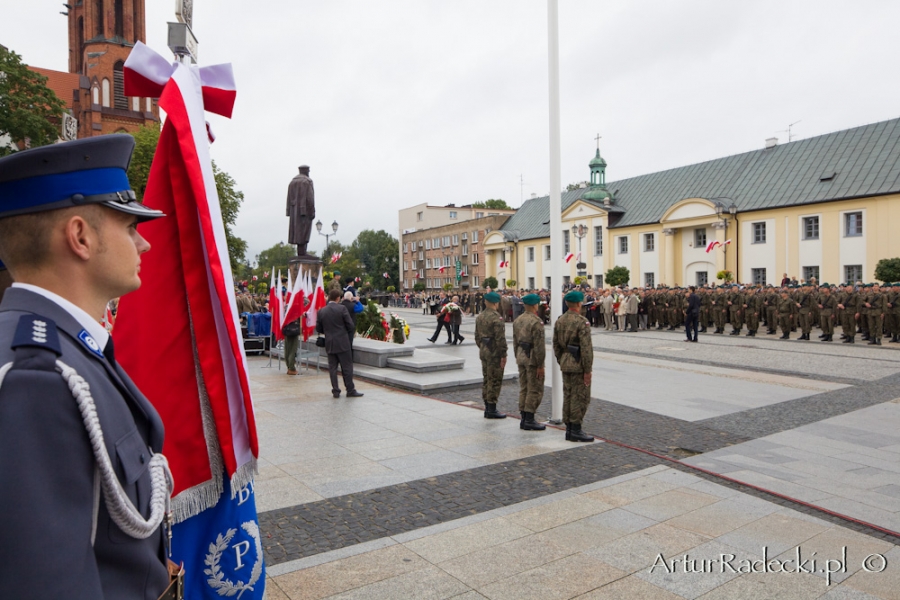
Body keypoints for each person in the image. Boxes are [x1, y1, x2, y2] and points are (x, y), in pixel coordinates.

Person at [0, 136, 176, 598]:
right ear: (80, 237)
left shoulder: (65, 346)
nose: (144, 243)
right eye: (128, 225)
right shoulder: (36, 377)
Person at [552, 290, 594, 442]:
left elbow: (556, 344)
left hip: (565, 362)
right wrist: (587, 370)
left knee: (568, 395)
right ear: (578, 304)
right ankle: (576, 429)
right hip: (578, 364)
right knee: (580, 397)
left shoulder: (560, 320)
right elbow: (586, 348)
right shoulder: (581, 321)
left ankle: (569, 428)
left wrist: (561, 359)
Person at [317, 288, 363, 398]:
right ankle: (350, 390)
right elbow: (350, 325)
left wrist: (329, 332)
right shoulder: (342, 309)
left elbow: (319, 328)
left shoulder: (322, 311)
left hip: (330, 343)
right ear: (338, 298)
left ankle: (336, 391)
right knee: (346, 367)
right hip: (343, 342)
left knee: (332, 368)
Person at [513, 294, 546, 430]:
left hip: (521, 356)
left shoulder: (518, 320)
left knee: (524, 387)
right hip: (532, 359)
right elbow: (539, 346)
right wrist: (540, 365)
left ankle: (523, 418)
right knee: (535, 389)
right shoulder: (536, 322)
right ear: (534, 305)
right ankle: (530, 419)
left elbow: (515, 341)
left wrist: (518, 356)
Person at [475, 291, 508, 419]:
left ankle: (487, 407)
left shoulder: (480, 317)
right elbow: (500, 339)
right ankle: (491, 408)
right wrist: (503, 354)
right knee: (495, 379)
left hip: (484, 351)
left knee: (486, 378)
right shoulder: (496, 318)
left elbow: (477, 337)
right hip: (494, 353)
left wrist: (483, 347)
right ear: (496, 303)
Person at [286, 164, 315, 256]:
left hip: (294, 212)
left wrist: (288, 211)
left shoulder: (292, 182)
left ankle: (301, 251)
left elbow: (288, 198)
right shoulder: (307, 181)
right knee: (304, 230)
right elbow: (310, 198)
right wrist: (312, 211)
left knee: (297, 231)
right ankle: (302, 251)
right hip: (305, 211)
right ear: (306, 171)